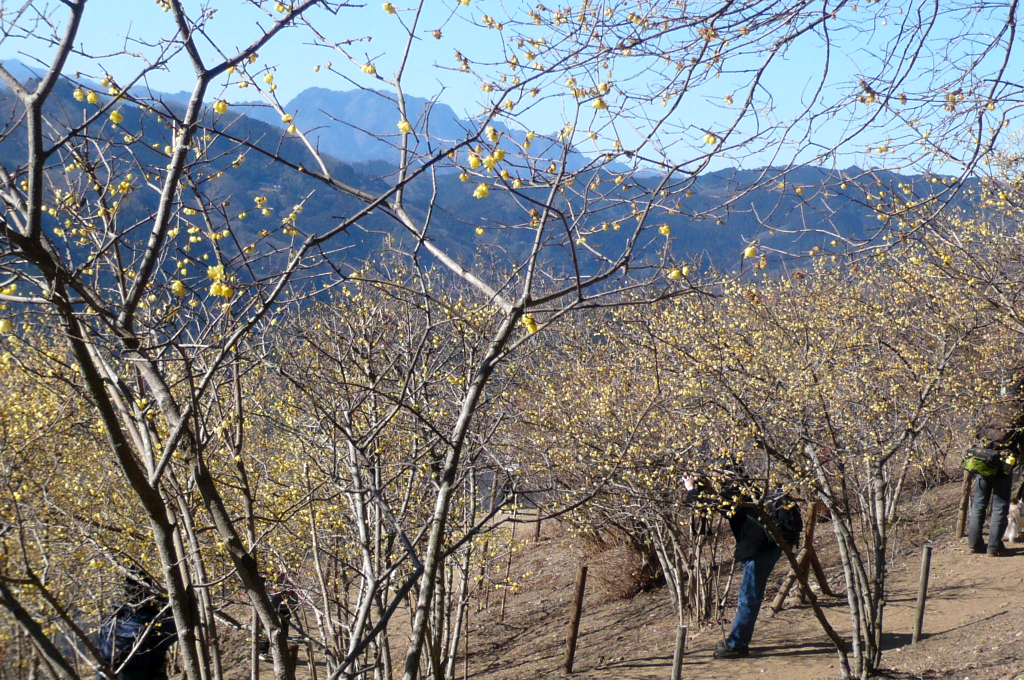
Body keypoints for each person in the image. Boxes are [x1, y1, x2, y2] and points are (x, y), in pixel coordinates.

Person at [682, 472, 788, 660]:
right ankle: (738, 641)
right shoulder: (746, 488)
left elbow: (703, 507)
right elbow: (725, 506)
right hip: (772, 546)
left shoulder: (733, 492)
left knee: (748, 597)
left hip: (758, 551)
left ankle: (737, 644)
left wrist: (691, 489)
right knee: (750, 595)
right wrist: (710, 490)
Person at [96, 575, 178, 680]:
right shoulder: (154, 624)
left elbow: (104, 661)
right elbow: (179, 626)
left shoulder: (110, 623)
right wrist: (165, 601)